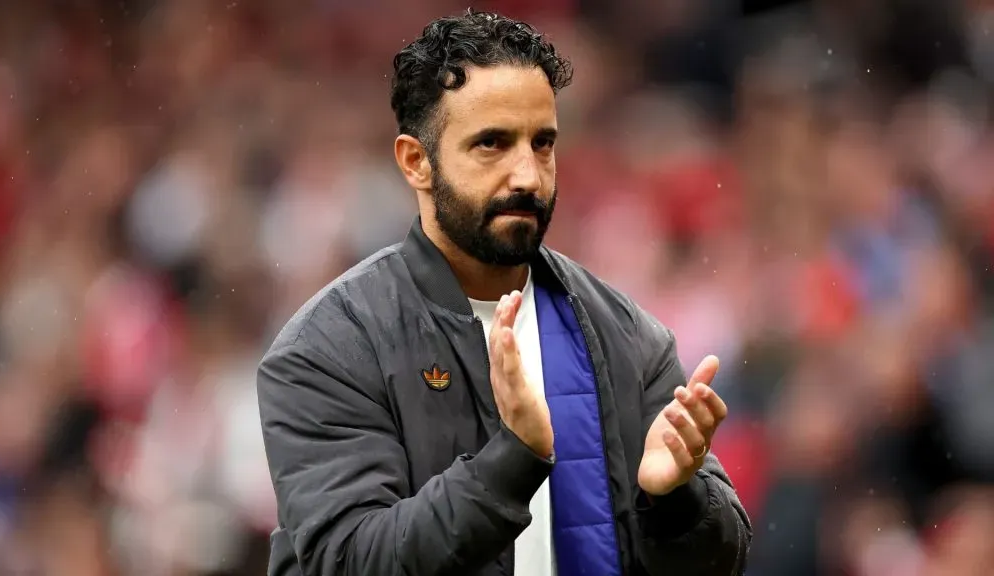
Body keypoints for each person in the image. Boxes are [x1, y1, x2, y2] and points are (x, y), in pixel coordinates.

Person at [258, 10, 752, 576]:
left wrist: (676, 501)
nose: (527, 175)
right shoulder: (329, 347)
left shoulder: (628, 337)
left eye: (542, 144)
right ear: (416, 161)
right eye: (492, 144)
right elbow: (348, 561)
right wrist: (512, 459)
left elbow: (722, 562)